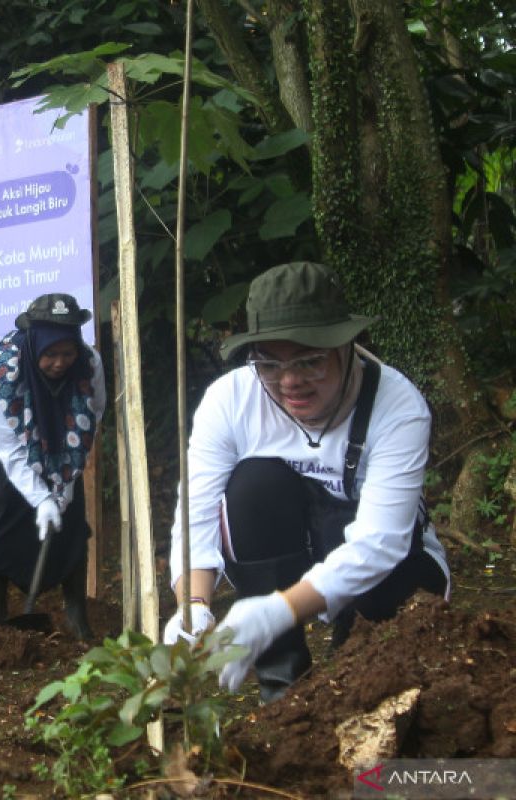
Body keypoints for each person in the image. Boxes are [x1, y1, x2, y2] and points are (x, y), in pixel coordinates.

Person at [163, 261, 451, 701]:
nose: (290, 381)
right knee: (252, 486)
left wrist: (278, 610)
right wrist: (193, 607)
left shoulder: (396, 406)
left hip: (392, 573)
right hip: (289, 547)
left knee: (382, 631)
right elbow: (197, 511)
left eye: (310, 361)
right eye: (269, 364)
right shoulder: (231, 400)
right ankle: (282, 687)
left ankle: (364, 659)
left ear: (348, 346)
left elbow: (381, 541)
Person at [0, 293, 105, 640]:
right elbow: (9, 451)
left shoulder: (89, 365)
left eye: (67, 353)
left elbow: (91, 420)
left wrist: (64, 484)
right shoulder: (1, 377)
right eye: (50, 354)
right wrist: (41, 498)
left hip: (62, 435)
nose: (60, 363)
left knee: (69, 518)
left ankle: (75, 617)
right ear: (34, 345)